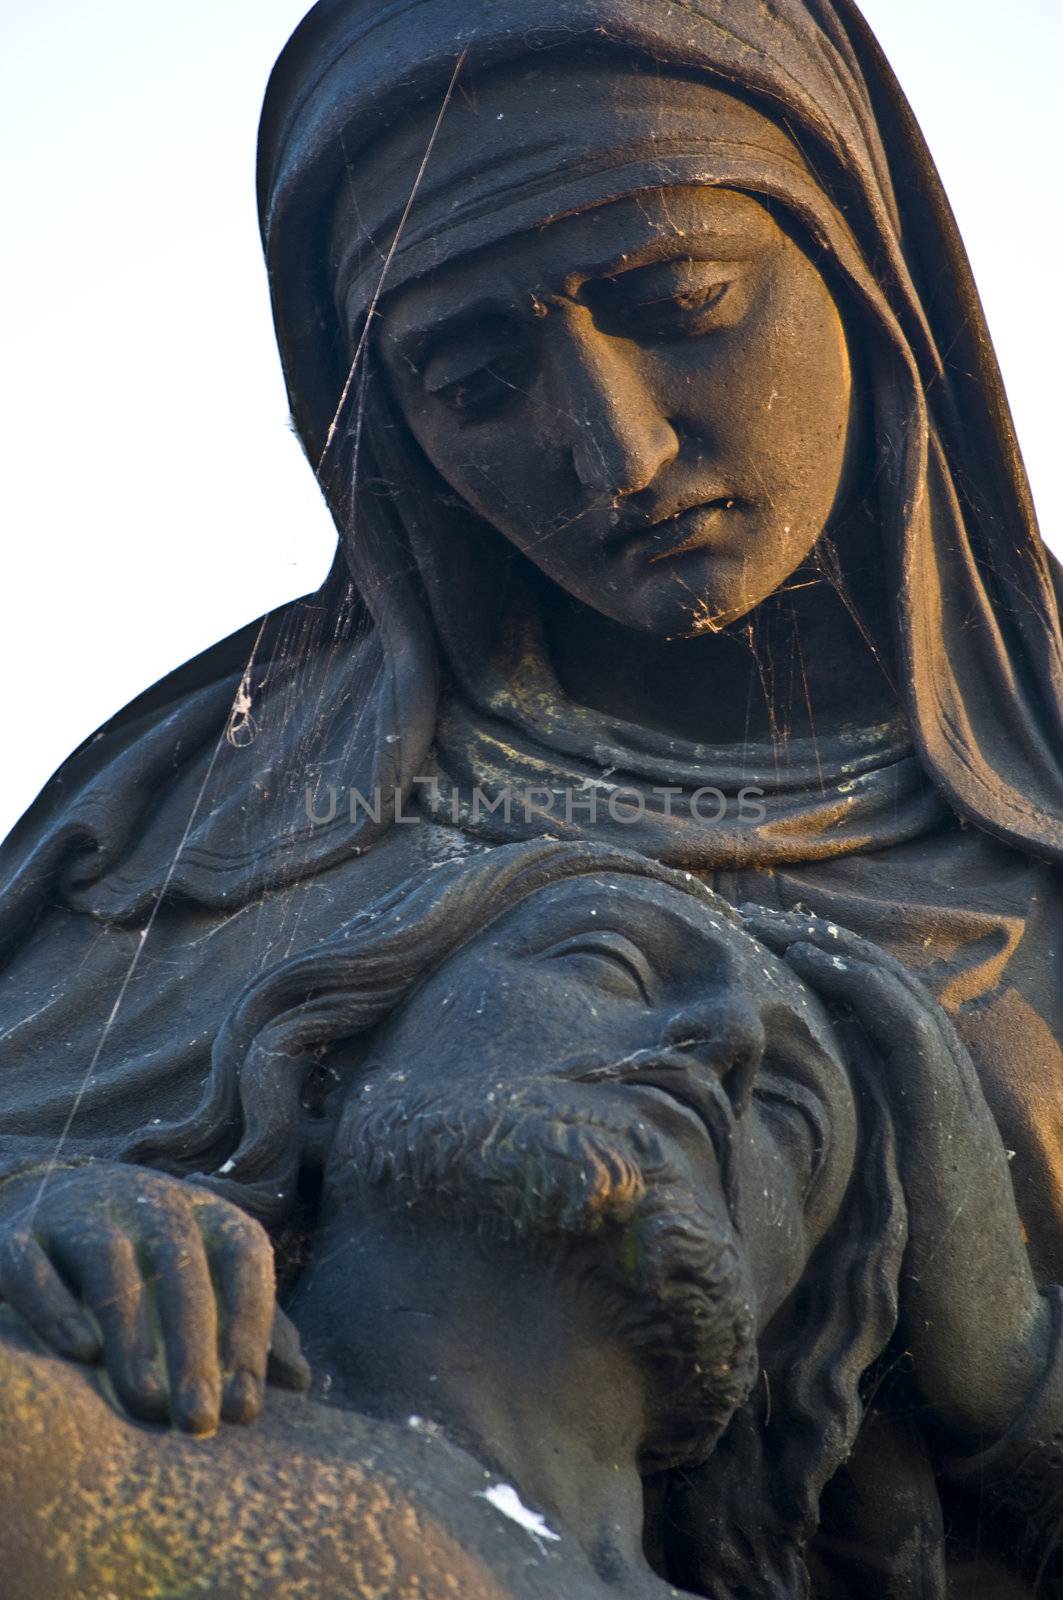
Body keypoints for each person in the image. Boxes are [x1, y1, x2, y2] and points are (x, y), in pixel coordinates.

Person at [0, 0, 1059, 1444]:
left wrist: (998, 1363)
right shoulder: (198, 831)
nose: (612, 448)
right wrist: (51, 1224)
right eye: (475, 383)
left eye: (678, 303)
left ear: (853, 255)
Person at [0, 841, 1054, 1596]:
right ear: (322, 1077)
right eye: (606, 961)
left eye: (790, 1110)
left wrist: (1010, 1369)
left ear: (791, 1295)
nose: (725, 1038)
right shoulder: (64, 1443)